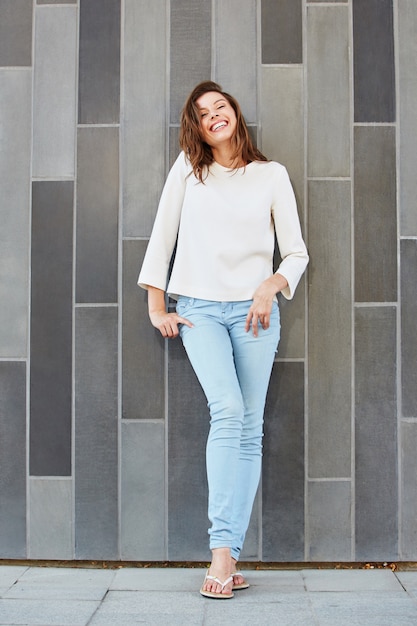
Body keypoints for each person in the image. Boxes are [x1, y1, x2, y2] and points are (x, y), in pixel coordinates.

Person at [138, 81, 308, 599]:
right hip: (199, 310)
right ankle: (219, 553)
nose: (214, 116)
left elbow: (296, 254)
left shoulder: (271, 175)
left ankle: (228, 558)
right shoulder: (189, 171)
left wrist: (271, 285)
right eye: (203, 113)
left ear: (234, 112)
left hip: (256, 315)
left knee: (250, 428)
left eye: (221, 106)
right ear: (196, 126)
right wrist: (156, 306)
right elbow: (162, 235)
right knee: (229, 410)